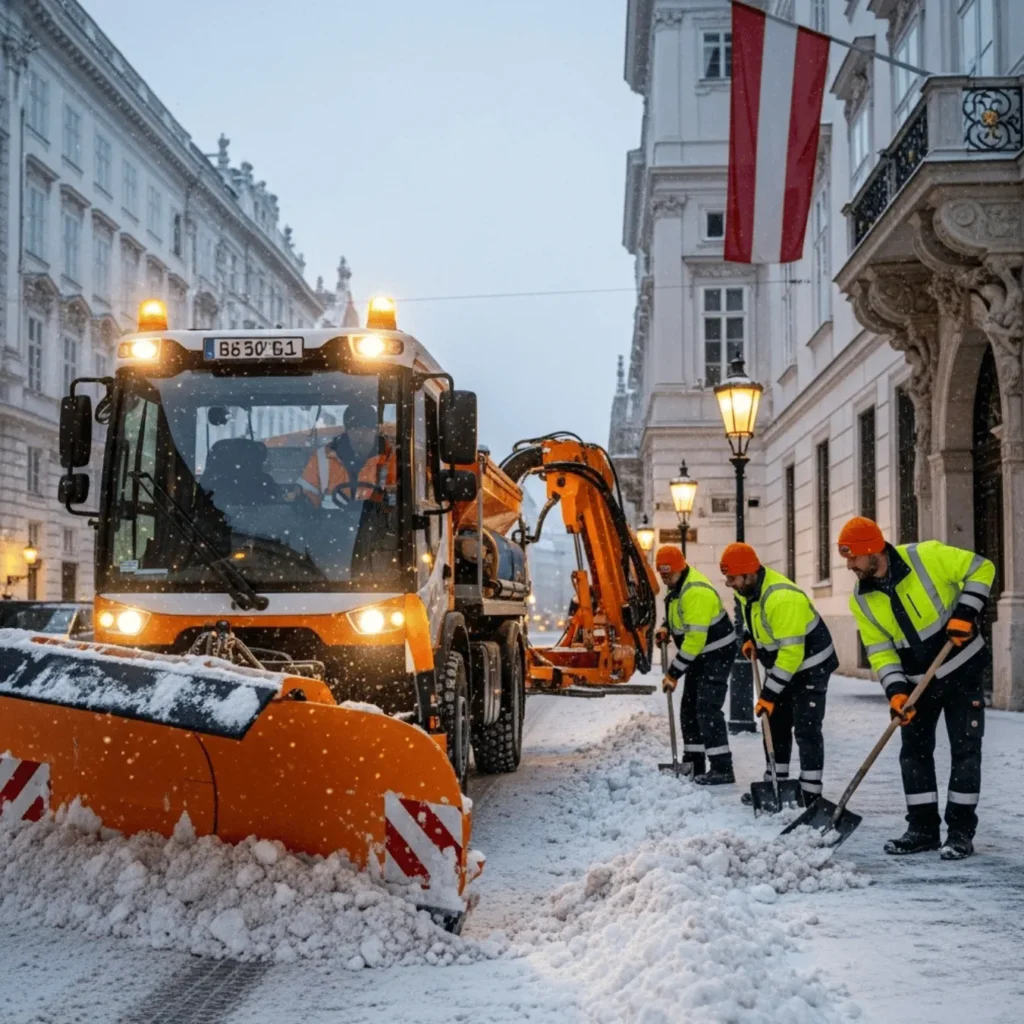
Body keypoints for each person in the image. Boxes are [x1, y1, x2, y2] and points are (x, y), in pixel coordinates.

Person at [839, 516, 995, 860]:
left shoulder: (927, 556)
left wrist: (965, 613)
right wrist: (896, 691)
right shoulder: (861, 599)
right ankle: (923, 830)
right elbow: (880, 650)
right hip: (916, 686)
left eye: (853, 558)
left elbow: (981, 568)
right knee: (914, 753)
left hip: (962, 671)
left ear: (873, 550)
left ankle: (960, 833)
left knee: (965, 751)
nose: (849, 566)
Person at [720, 542, 837, 807]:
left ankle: (810, 792)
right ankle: (776, 783)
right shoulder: (748, 591)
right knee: (774, 724)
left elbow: (792, 654)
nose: (730, 585)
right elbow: (754, 618)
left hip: (810, 666)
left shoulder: (781, 597)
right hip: (783, 664)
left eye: (733, 579)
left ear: (749, 574)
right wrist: (749, 638)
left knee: (806, 727)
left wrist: (768, 694)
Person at [656, 546, 737, 784]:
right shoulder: (677, 587)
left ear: (680, 569)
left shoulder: (695, 591)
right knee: (689, 709)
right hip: (700, 655)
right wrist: (665, 627)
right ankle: (694, 763)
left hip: (716, 653)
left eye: (668, 574)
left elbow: (694, 640)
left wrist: (673, 673)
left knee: (707, 709)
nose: (665, 579)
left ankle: (722, 768)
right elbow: (681, 616)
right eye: (662, 575)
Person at [297, 401, 396, 507]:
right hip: (331, 517)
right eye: (355, 430)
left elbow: (397, 501)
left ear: (375, 431)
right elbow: (304, 497)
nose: (361, 436)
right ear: (347, 431)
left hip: (376, 518)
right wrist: (305, 502)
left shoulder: (391, 459)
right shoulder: (322, 457)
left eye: (367, 430)